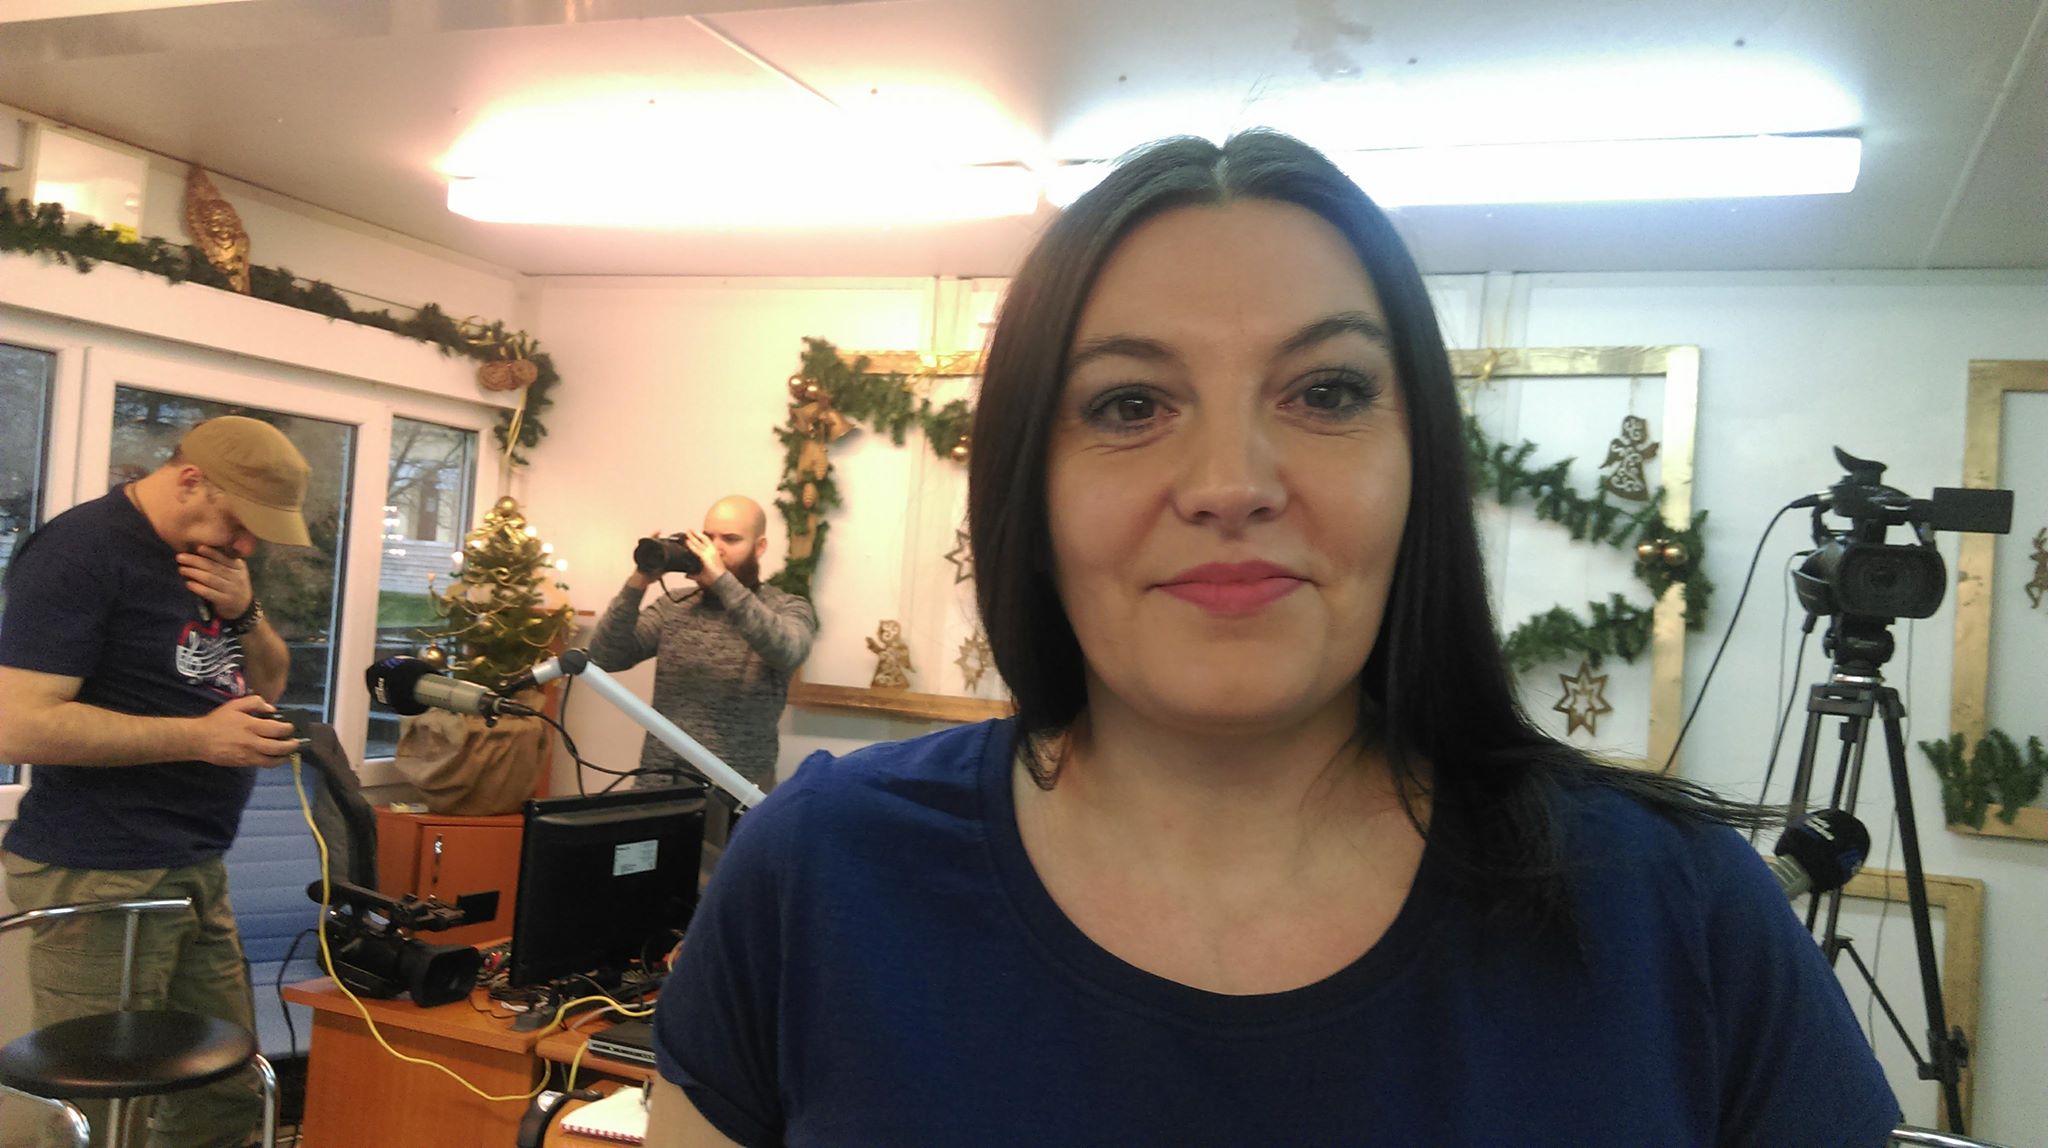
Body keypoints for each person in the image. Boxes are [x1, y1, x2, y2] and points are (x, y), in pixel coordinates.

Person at [642, 132, 1901, 1146]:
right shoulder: (818, 878)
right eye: (1128, 403)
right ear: (1029, 487)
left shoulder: (1678, 914)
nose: (1230, 482)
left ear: (1418, 467)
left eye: (1327, 391)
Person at [0, 415, 310, 1148]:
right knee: (111, 1113)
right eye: (241, 523)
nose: (246, 545)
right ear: (191, 479)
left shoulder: (211, 559)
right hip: (102, 869)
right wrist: (200, 738)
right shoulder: (81, 553)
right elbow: (17, 725)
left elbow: (267, 683)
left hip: (194, 862)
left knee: (223, 1096)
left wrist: (247, 612)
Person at [588, 495, 818, 801]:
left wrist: (722, 580)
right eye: (708, 537)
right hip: (658, 787)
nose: (715, 549)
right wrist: (639, 581)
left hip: (739, 793)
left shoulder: (788, 607)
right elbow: (605, 656)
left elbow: (786, 650)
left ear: (759, 547)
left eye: (730, 539)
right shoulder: (675, 605)